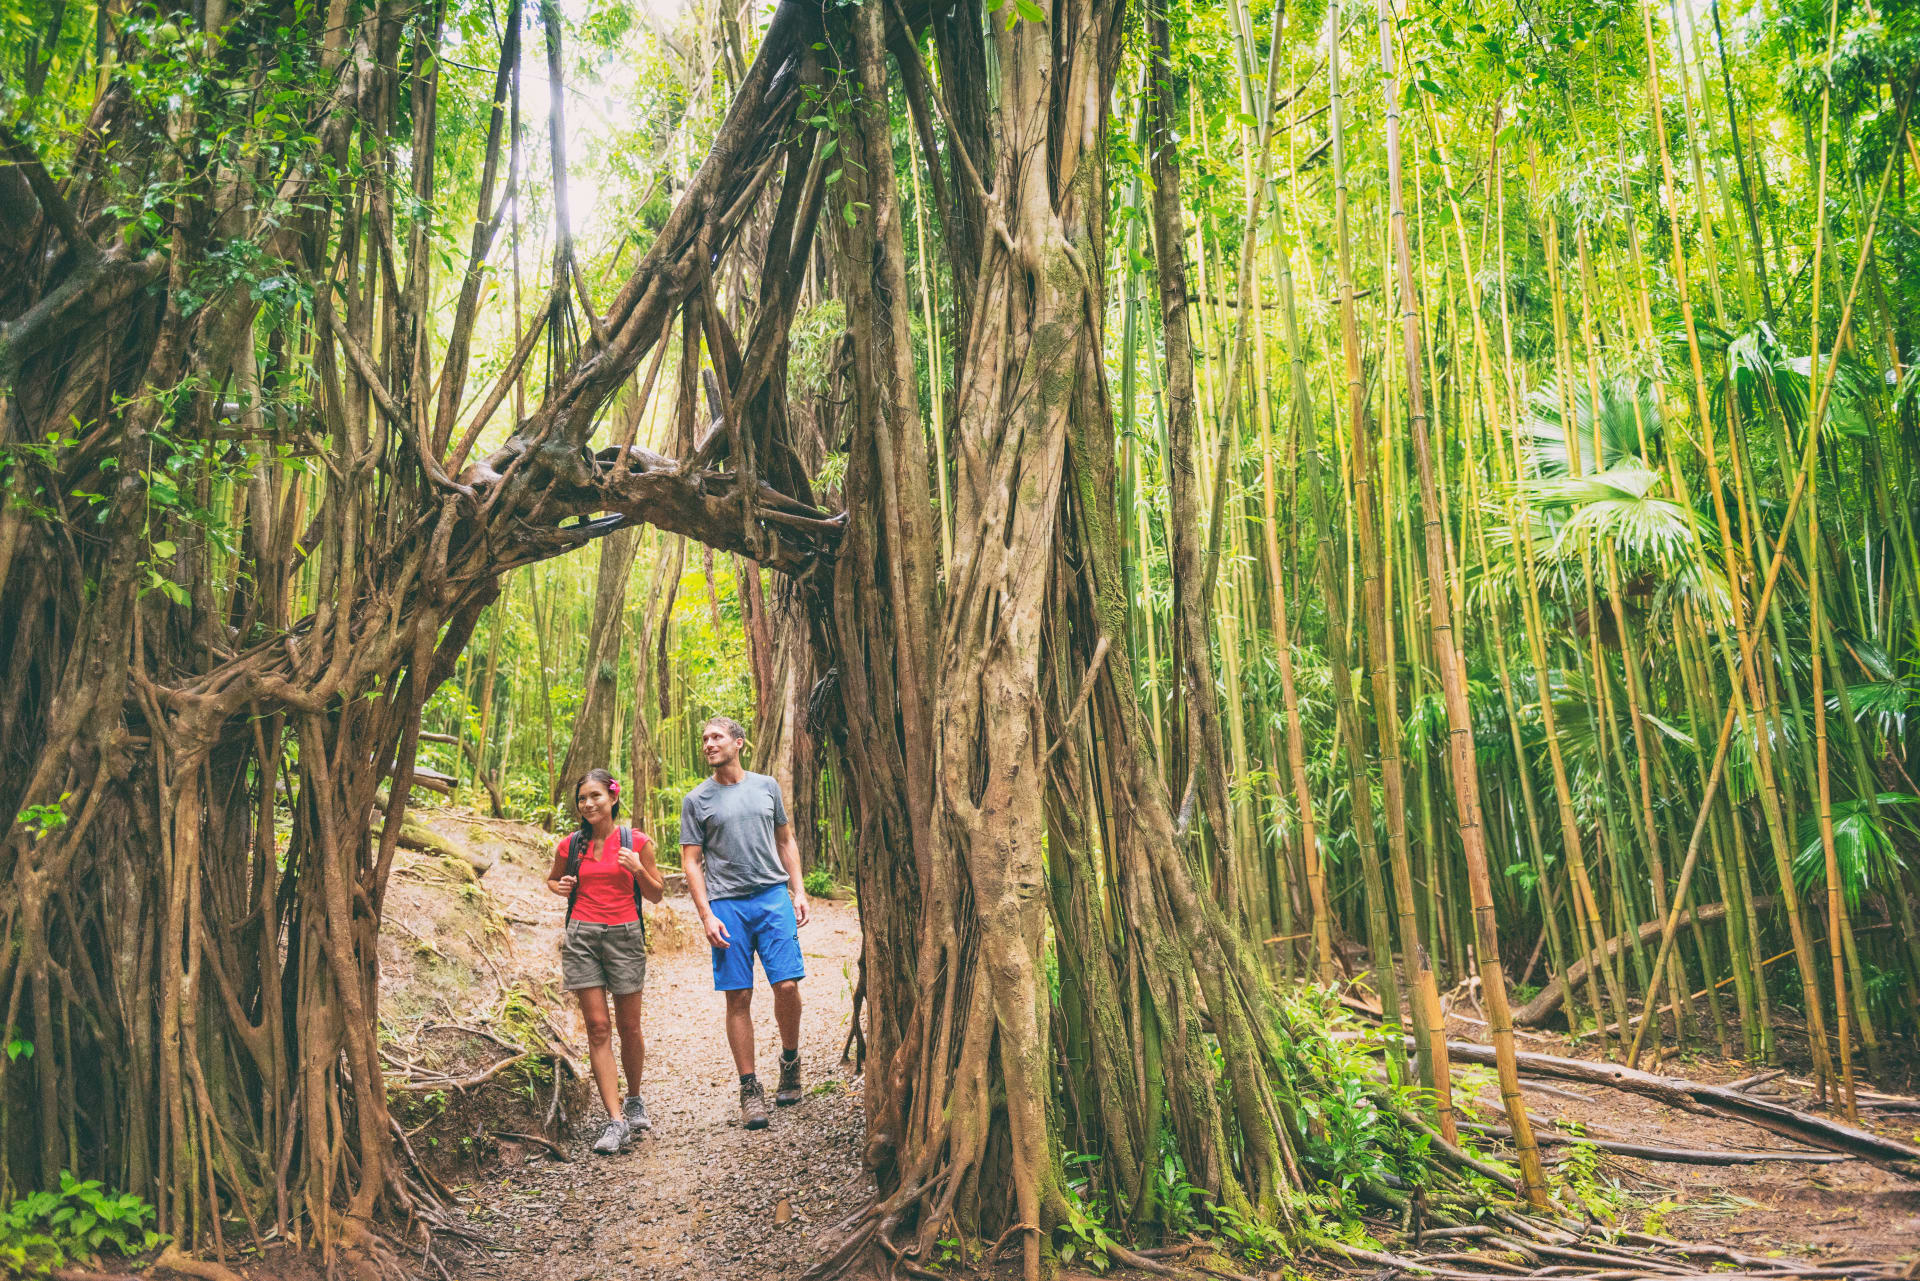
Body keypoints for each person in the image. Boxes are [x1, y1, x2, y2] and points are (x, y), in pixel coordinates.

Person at [679, 716, 810, 1130]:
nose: (708, 743)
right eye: (704, 738)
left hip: (772, 897)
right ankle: (749, 1087)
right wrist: (706, 914)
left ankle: (790, 1061)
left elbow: (785, 840)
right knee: (738, 997)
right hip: (727, 905)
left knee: (786, 984)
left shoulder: (766, 786)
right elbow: (691, 861)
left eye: (716, 736)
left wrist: (799, 890)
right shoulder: (696, 800)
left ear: (739, 742)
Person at [546, 768, 665, 1154]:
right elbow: (553, 880)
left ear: (613, 798)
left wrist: (637, 870)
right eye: (582, 798)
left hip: (625, 936)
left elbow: (657, 894)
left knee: (629, 1027)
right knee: (598, 1028)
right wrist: (560, 886)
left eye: (595, 796)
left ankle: (634, 1099)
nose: (588, 804)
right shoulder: (570, 846)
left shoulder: (637, 842)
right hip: (582, 937)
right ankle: (615, 1121)